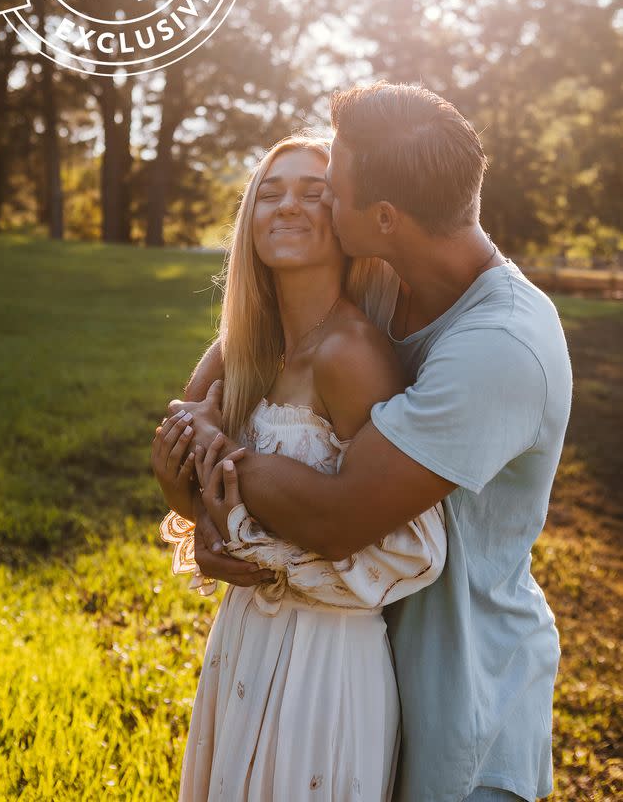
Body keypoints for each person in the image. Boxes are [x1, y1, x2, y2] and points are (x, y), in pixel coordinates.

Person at [158, 82, 573, 802]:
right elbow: (236, 369)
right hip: (335, 647)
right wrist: (194, 493)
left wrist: (221, 461)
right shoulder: (386, 289)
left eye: (329, 193)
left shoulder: (499, 347)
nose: (311, 206)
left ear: (379, 218)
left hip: (458, 698)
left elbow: (338, 515)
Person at [153, 132, 447, 801]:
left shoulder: (351, 353)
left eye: (315, 194)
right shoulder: (239, 350)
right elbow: (178, 477)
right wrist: (205, 527)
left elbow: (413, 546)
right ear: (248, 217)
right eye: (270, 191)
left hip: (324, 657)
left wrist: (252, 539)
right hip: (242, 638)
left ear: (345, 223)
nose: (288, 207)